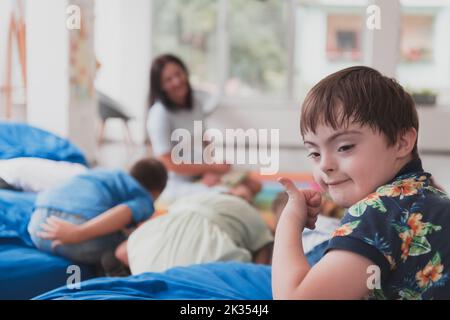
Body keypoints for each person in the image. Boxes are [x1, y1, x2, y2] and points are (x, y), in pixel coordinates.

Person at [272, 66, 450, 300]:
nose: (324, 165)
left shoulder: (380, 210)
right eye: (314, 153)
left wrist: (290, 219)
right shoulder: (428, 197)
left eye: (345, 147)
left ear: (401, 141)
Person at [147, 54, 261, 203]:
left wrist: (212, 167)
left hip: (200, 172)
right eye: (168, 79)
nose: (177, 81)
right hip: (177, 182)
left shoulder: (196, 102)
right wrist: (210, 168)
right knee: (242, 193)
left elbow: (204, 138)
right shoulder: (159, 114)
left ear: (185, 73)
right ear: (160, 86)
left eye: (178, 74)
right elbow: (168, 164)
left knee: (255, 185)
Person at [27, 158, 168, 266]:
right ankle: (112, 265)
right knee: (135, 243)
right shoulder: (144, 197)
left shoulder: (104, 173)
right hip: (73, 234)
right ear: (156, 193)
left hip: (38, 227)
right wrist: (77, 233)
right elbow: (125, 211)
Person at [111, 192, 274, 275]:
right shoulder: (248, 211)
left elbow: (121, 252)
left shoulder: (189, 199)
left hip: (151, 271)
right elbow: (264, 253)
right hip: (206, 275)